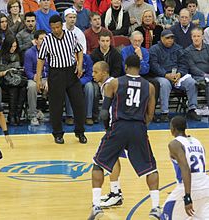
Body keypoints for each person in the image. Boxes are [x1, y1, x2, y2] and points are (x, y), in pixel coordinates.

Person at [88, 55, 160, 220]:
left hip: (118, 127)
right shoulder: (149, 87)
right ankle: (155, 208)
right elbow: (150, 114)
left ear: (125, 66)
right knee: (151, 168)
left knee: (98, 165)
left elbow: (104, 113)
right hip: (138, 128)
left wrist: (108, 130)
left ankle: (96, 206)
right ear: (139, 68)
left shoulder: (115, 83)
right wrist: (140, 127)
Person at [36, 15, 87, 144]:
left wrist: (80, 64)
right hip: (56, 73)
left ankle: (80, 132)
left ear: (62, 25)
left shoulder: (70, 36)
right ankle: (58, 134)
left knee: (79, 103)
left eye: (58, 27)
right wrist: (38, 78)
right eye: (53, 28)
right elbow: (41, 60)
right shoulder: (47, 40)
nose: (56, 30)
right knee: (56, 106)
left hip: (71, 72)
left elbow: (79, 51)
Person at [161, 115, 209, 219]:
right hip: (206, 187)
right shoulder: (198, 142)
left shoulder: (174, 144)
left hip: (189, 188)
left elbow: (185, 168)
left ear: (172, 129)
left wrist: (187, 196)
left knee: (165, 216)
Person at [149, 29, 200, 122]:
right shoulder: (154, 49)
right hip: (162, 76)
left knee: (191, 82)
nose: (170, 40)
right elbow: (154, 66)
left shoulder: (178, 48)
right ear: (161, 38)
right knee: (164, 84)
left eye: (172, 38)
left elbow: (184, 64)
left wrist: (179, 74)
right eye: (167, 38)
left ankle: (192, 109)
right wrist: (166, 75)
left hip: (177, 76)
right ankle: (164, 113)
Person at [92, 61, 124, 208]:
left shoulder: (109, 85)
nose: (93, 75)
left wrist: (108, 127)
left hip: (116, 126)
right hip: (119, 125)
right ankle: (115, 192)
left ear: (104, 72)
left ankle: (116, 194)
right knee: (115, 157)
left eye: (95, 72)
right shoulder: (109, 83)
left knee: (106, 159)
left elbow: (106, 112)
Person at [0, 35, 27, 126]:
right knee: (13, 88)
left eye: (15, 46)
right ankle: (11, 115)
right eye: (11, 46)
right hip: (4, 80)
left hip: (17, 79)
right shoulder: (0, 56)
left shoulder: (19, 55)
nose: (13, 48)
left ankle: (18, 115)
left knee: (22, 88)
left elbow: (22, 68)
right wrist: (6, 72)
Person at [24, 30, 48, 126]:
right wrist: (37, 79)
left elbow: (53, 68)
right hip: (34, 77)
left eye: (46, 39)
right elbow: (28, 71)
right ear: (36, 41)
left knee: (57, 84)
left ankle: (54, 114)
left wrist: (49, 80)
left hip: (47, 77)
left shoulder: (51, 51)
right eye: (42, 39)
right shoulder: (29, 53)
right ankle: (33, 114)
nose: (44, 41)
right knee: (32, 87)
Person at [185, 27, 209, 115]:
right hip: (196, 76)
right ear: (191, 37)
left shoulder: (208, 48)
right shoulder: (187, 51)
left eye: (198, 36)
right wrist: (205, 75)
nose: (196, 38)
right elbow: (192, 68)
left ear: (202, 37)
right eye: (194, 36)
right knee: (207, 82)